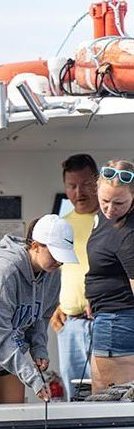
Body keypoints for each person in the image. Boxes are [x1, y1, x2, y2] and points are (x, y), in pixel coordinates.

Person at [0, 215, 76, 404]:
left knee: (14, 416)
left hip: (11, 348)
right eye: (55, 254)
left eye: (63, 256)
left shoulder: (53, 275)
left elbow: (42, 317)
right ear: (35, 246)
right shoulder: (4, 272)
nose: (59, 262)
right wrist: (32, 378)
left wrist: (39, 349)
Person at [49, 154, 98, 399]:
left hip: (104, 320)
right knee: (75, 396)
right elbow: (54, 271)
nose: (79, 192)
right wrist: (55, 307)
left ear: (98, 183)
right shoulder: (61, 225)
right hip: (69, 324)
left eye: (86, 184)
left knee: (108, 392)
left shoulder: (113, 220)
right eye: (72, 186)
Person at [85, 160, 134, 395]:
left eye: (119, 203)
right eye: (104, 200)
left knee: (110, 400)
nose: (109, 208)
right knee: (100, 393)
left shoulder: (129, 233)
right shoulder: (104, 218)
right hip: (105, 315)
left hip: (119, 320)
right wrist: (91, 298)